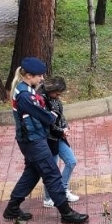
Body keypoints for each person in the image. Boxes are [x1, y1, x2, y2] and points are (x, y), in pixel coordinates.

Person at [3, 57, 88, 224]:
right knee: (52, 174)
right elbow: (46, 117)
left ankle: (12, 208)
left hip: (30, 139)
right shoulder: (26, 96)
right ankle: (66, 213)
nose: (42, 79)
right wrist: (54, 115)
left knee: (32, 174)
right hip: (33, 141)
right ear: (28, 75)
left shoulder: (24, 89)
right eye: (39, 76)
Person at [39, 76, 80, 208]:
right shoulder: (41, 101)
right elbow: (47, 122)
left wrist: (65, 127)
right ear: (51, 90)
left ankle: (62, 190)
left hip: (58, 137)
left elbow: (60, 116)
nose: (59, 96)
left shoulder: (54, 99)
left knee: (71, 161)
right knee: (52, 169)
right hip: (49, 139)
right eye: (57, 93)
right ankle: (48, 197)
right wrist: (61, 130)